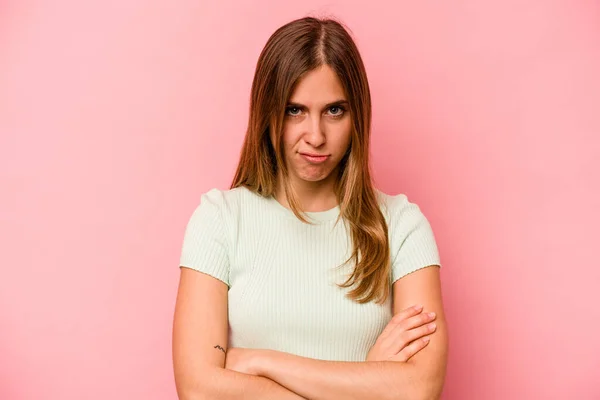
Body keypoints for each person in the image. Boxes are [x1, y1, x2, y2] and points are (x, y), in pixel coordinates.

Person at [172, 15, 448, 400]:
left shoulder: (402, 227)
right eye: (294, 110)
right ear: (266, 112)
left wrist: (261, 362)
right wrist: (366, 379)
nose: (315, 136)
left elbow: (420, 388)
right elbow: (199, 390)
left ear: (358, 116)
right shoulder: (219, 220)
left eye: (334, 110)